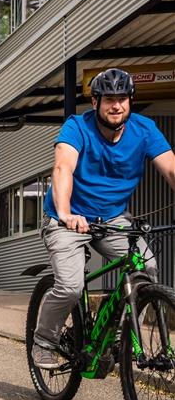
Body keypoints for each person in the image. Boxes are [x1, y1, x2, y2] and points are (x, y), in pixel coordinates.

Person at [31, 67, 174, 369]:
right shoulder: (77, 127)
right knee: (71, 286)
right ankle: (44, 341)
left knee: (146, 267)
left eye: (123, 98)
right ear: (95, 102)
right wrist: (67, 212)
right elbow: (62, 169)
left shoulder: (144, 129)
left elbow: (171, 169)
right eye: (109, 99)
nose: (116, 105)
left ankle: (117, 334)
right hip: (67, 218)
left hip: (111, 219)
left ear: (130, 101)